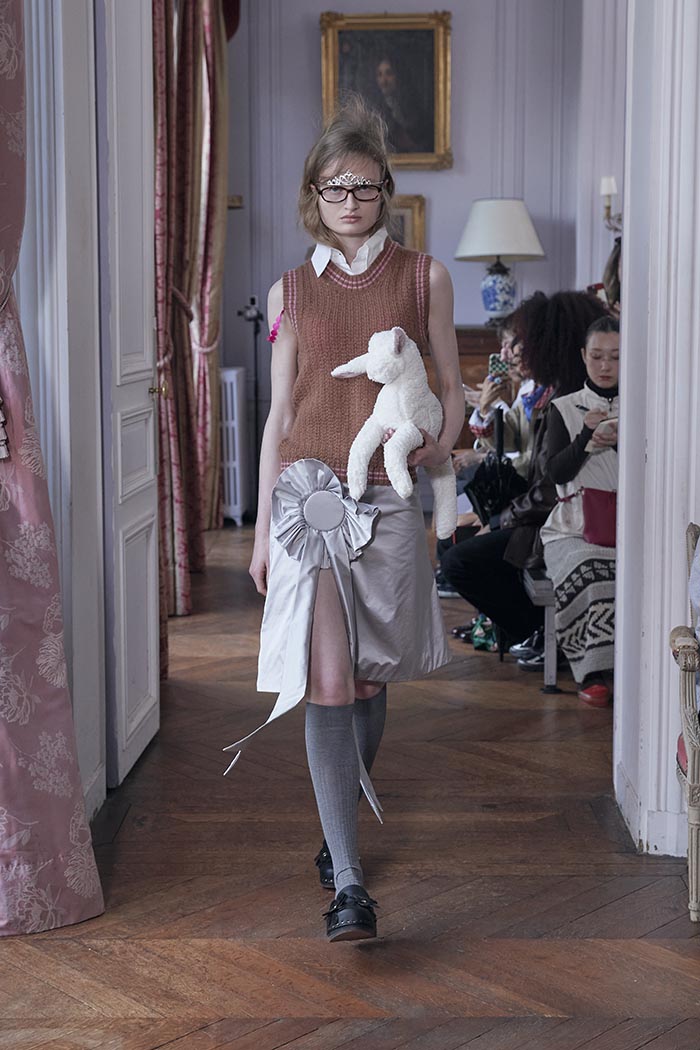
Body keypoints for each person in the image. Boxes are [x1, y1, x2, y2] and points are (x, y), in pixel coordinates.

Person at [244, 98, 463, 941]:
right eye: (334, 186)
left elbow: (451, 386)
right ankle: (348, 882)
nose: (350, 200)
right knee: (329, 684)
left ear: (384, 192)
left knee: (370, 682)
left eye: (364, 186)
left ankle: (339, 818)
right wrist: (262, 531)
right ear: (313, 194)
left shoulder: (423, 276)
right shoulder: (290, 291)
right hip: (308, 501)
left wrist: (438, 446)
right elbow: (279, 413)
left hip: (391, 497)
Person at [440, 291, 610, 662]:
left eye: (524, 342)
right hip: (549, 515)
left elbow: (550, 486)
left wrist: (500, 520)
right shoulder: (557, 391)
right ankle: (536, 632)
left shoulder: (571, 400)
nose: (516, 353)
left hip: (563, 521)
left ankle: (545, 634)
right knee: (457, 546)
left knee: (459, 561)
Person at [540, 316, 620, 705]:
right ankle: (592, 670)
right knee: (589, 568)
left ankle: (639, 663)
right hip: (574, 525)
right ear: (583, 356)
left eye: (616, 357)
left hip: (632, 522)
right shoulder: (564, 407)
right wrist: (587, 437)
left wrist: (619, 441)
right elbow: (555, 472)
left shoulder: (646, 406)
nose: (605, 366)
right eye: (597, 356)